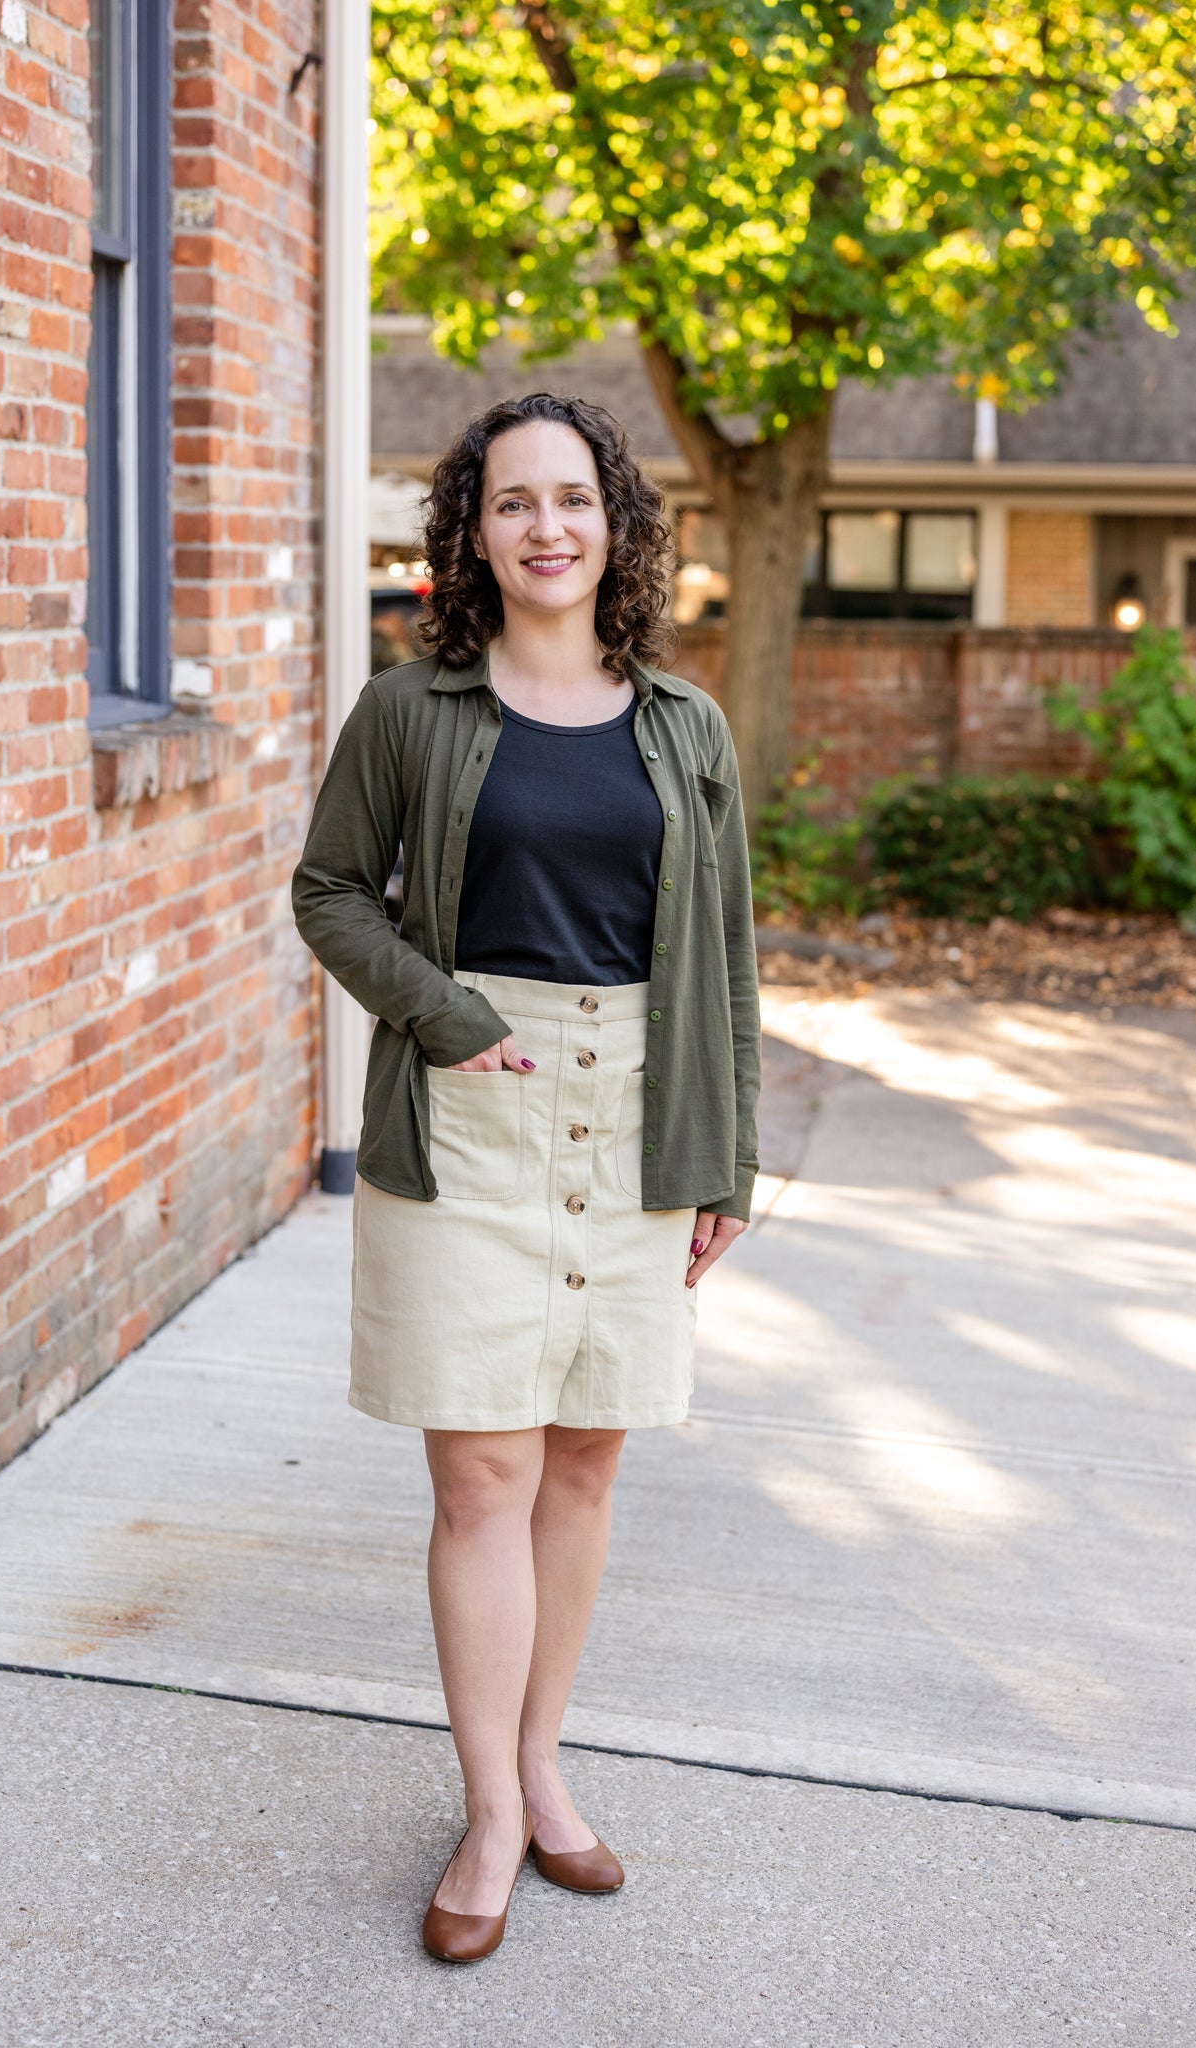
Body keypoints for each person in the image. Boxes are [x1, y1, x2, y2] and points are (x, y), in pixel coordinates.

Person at [292, 392, 760, 1963]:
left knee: (582, 1468)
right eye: (511, 503)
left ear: (614, 521)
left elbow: (727, 966)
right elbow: (332, 891)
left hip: (638, 1116)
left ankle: (545, 1760)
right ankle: (488, 1805)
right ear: (472, 532)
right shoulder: (410, 710)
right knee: (479, 1476)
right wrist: (445, 1016)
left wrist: (725, 1158)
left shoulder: (685, 728)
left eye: (573, 498)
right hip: (471, 1108)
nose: (546, 526)